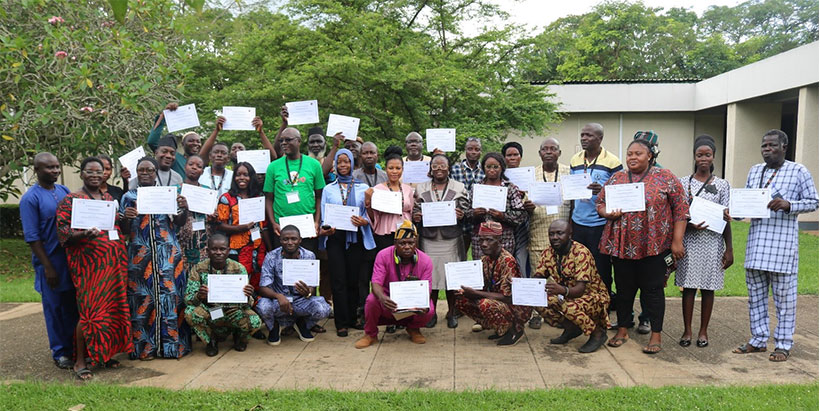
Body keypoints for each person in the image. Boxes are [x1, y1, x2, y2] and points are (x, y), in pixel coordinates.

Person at [732, 129, 818, 362]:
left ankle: (783, 344)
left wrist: (789, 205)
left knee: (785, 300)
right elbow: (747, 203)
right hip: (756, 246)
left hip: (782, 248)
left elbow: (814, 201)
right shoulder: (755, 171)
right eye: (764, 146)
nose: (767, 149)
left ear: (784, 147)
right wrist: (735, 212)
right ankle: (758, 339)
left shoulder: (798, 171)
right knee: (756, 297)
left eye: (772, 145)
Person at [597, 139, 688, 355]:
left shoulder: (665, 177)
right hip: (622, 246)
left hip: (654, 246)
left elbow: (681, 209)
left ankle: (656, 335)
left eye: (638, 153)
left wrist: (677, 241)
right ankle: (622, 330)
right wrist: (607, 212)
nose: (632, 157)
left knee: (653, 290)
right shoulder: (617, 178)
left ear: (650, 156)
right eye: (629, 153)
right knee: (624, 289)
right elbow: (600, 202)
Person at [55, 157, 131, 379]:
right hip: (90, 268)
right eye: (90, 171)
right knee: (90, 312)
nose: (95, 175)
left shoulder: (108, 198)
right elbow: (63, 234)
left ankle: (105, 354)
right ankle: (80, 361)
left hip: (114, 265)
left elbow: (116, 227)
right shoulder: (71, 200)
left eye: (99, 172)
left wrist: (123, 218)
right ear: (82, 174)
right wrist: (83, 234)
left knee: (111, 309)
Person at [121, 156, 192, 359]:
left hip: (167, 255)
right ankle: (145, 349)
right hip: (139, 255)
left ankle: (172, 347)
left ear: (155, 172)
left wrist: (184, 207)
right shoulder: (129, 197)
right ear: (136, 173)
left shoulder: (168, 194)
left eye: (149, 170)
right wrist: (127, 217)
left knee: (170, 297)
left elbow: (179, 222)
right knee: (142, 299)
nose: (145, 174)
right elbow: (124, 230)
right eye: (141, 170)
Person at [19, 152, 78, 370]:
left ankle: (75, 348)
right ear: (36, 170)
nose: (55, 171)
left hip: (70, 259)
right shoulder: (30, 199)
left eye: (56, 167)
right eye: (49, 167)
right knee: (54, 308)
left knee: (72, 306)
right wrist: (48, 267)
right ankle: (60, 352)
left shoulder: (63, 191)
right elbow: (32, 237)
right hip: (50, 262)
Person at [676, 135, 733, 348]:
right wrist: (689, 226)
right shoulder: (684, 182)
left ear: (713, 156)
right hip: (689, 241)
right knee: (689, 287)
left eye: (707, 155)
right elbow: (678, 214)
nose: (703, 159)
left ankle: (703, 331)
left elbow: (726, 218)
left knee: (709, 288)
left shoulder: (723, 185)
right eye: (699, 155)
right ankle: (687, 330)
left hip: (712, 243)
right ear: (694, 156)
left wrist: (729, 249)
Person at [263, 125, 328, 306]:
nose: (283, 143)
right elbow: (268, 198)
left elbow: (319, 196)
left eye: (288, 140)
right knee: (282, 270)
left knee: (308, 269)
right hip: (282, 228)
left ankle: (309, 308)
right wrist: (273, 222)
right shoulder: (273, 167)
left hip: (306, 227)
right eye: (281, 140)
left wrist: (317, 222)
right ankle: (284, 308)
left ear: (299, 141)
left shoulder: (313, 165)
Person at [568, 123, 622, 322]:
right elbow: (571, 194)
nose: (584, 138)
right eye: (582, 134)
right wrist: (570, 221)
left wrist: (603, 190)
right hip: (578, 222)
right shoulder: (575, 159)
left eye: (589, 135)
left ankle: (603, 309)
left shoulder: (613, 161)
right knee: (579, 268)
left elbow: (620, 192)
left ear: (600, 138)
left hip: (600, 225)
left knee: (602, 269)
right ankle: (582, 306)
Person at [319, 149, 375, 337]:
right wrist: (326, 228)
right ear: (335, 164)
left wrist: (364, 221)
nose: (343, 165)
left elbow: (368, 212)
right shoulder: (329, 189)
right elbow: (324, 214)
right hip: (335, 238)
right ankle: (341, 322)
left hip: (356, 237)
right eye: (340, 162)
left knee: (354, 280)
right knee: (338, 280)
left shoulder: (363, 187)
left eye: (347, 161)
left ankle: (352, 318)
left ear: (352, 164)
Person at [355, 221, 434, 349]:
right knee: (371, 300)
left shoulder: (425, 261)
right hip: (388, 300)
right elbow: (376, 283)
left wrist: (422, 303)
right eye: (402, 243)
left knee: (430, 308)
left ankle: (413, 329)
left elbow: (427, 290)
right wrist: (383, 298)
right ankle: (370, 334)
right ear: (395, 244)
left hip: (412, 302)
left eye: (411, 243)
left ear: (416, 243)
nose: (407, 247)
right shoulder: (383, 255)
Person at [533, 220, 609, 353]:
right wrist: (519, 285)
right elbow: (538, 278)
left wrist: (562, 290)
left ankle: (597, 333)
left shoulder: (581, 253)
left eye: (559, 233)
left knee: (567, 306)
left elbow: (580, 290)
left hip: (593, 296)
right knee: (538, 301)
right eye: (551, 234)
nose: (555, 237)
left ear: (570, 235)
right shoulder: (548, 253)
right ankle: (571, 328)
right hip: (566, 293)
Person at [412, 154, 469, 329]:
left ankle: (451, 312)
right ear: (430, 169)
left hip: (451, 239)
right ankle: (432, 313)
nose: (439, 169)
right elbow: (415, 209)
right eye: (435, 165)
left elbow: (467, 208)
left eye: (442, 165)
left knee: (451, 277)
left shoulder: (458, 187)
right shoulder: (421, 187)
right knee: (432, 277)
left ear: (449, 168)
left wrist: (462, 214)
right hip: (429, 239)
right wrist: (416, 216)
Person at [184, 234, 261, 356]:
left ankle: (240, 338)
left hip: (233, 310)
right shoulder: (198, 269)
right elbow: (188, 299)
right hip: (211, 310)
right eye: (214, 249)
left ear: (228, 251)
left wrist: (247, 296)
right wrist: (199, 296)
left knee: (255, 321)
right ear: (207, 251)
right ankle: (211, 341)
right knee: (190, 313)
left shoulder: (238, 268)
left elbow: (248, 304)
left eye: (222, 249)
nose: (218, 252)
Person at [454, 221, 530, 346]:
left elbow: (507, 297)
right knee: (461, 299)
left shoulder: (507, 261)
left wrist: (475, 293)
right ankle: (500, 328)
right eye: (481, 240)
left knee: (485, 304)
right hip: (499, 302)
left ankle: (515, 330)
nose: (484, 244)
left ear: (499, 240)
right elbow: (482, 286)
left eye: (489, 240)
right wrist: (465, 291)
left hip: (516, 308)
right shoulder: (485, 259)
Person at [257, 225, 332, 345]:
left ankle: (302, 324)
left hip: (300, 301)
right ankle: (274, 326)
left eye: (294, 239)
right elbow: (263, 287)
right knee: (263, 306)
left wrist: (308, 292)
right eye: (285, 239)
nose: (290, 242)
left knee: (323, 308)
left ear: (300, 240)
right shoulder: (271, 257)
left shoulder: (309, 256)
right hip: (279, 302)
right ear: (280, 240)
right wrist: (278, 296)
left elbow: (312, 287)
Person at [525, 138, 572, 330]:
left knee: (563, 276)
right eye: (545, 149)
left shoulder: (569, 173)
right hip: (538, 233)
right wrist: (528, 207)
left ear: (559, 153)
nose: (549, 152)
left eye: (553, 149)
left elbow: (575, 201)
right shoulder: (532, 175)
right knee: (538, 275)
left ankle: (562, 312)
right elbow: (525, 202)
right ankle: (537, 313)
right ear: (540, 153)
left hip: (563, 235)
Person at [214, 162, 269, 294]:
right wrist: (241, 228)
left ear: (251, 177)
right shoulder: (226, 198)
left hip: (256, 246)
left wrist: (269, 247)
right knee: (237, 279)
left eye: (246, 174)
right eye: (238, 175)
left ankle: (253, 304)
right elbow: (219, 225)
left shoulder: (259, 197)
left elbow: (263, 225)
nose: (242, 178)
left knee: (255, 278)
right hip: (235, 247)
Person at [464, 152, 527, 259]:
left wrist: (503, 216)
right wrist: (474, 214)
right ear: (483, 168)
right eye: (488, 167)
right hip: (480, 239)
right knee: (482, 266)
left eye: (495, 167)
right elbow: (466, 212)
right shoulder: (477, 188)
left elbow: (521, 214)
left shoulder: (510, 188)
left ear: (502, 168)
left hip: (504, 239)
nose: (492, 170)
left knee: (503, 266)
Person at [365, 147, 415, 251]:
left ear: (402, 169)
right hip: (385, 231)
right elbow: (374, 216)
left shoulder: (408, 189)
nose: (394, 171)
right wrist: (368, 203)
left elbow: (411, 211)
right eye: (391, 168)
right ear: (385, 169)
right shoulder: (378, 189)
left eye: (398, 168)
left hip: (405, 231)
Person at [450, 137, 485, 255]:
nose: (473, 152)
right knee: (459, 255)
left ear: (481, 151)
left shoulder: (485, 170)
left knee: (480, 255)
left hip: (479, 220)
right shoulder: (455, 169)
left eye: (477, 149)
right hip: (460, 220)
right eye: (470, 149)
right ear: (465, 150)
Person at [502, 141, 531, 277]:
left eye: (516, 155)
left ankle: (522, 282)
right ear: (504, 158)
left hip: (523, 223)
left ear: (521, 157)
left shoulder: (528, 175)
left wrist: (525, 196)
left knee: (521, 257)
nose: (512, 158)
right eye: (509, 155)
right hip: (505, 223)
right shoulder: (499, 176)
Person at [179, 155, 211, 271]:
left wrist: (213, 215)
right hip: (181, 242)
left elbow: (212, 214)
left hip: (203, 242)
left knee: (201, 274)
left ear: (202, 171)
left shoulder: (207, 191)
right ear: (185, 167)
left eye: (199, 166)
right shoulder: (176, 190)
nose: (194, 168)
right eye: (191, 164)